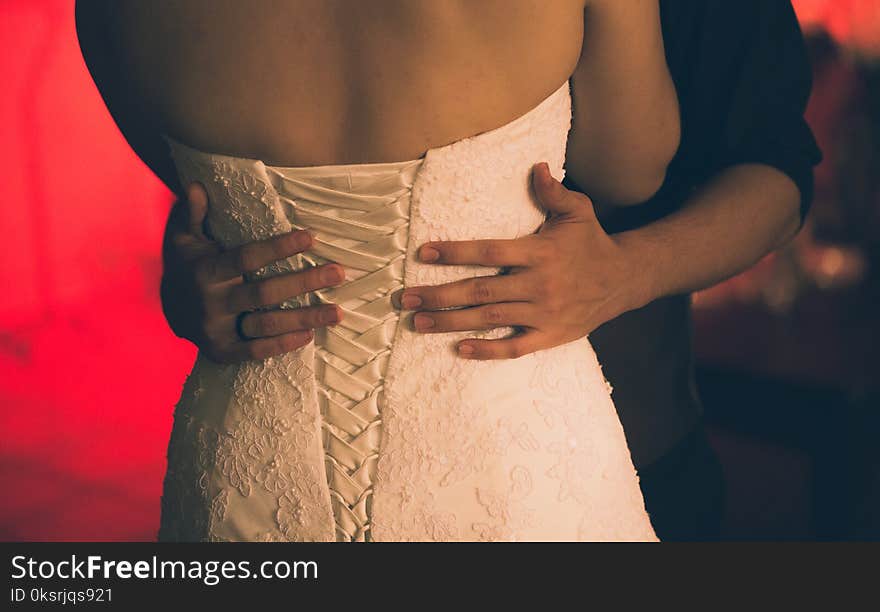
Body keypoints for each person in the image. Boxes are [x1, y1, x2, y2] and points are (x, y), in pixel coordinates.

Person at [75, 1, 818, 541]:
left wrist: (626, 271)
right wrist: (198, 280)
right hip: (523, 455)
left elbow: (774, 166)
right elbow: (629, 170)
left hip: (253, 474)